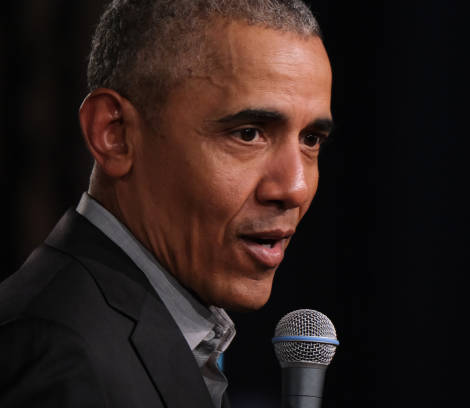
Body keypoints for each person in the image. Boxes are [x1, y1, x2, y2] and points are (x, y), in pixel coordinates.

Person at [0, 0, 333, 407]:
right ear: (114, 134)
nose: (295, 188)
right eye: (248, 134)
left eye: (311, 140)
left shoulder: (179, 337)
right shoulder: (53, 352)